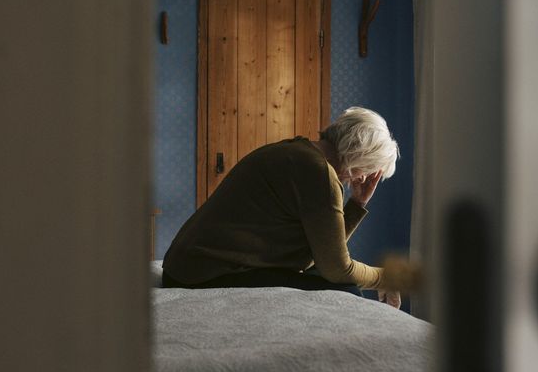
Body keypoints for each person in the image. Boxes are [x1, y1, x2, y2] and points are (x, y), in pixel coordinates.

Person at [162, 106, 402, 308]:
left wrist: (358, 203)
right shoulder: (318, 172)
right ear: (362, 157)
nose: (361, 179)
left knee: (334, 282)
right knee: (347, 291)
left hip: (185, 268)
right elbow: (337, 268)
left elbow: (321, 252)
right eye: (368, 172)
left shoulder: (298, 152)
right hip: (200, 276)